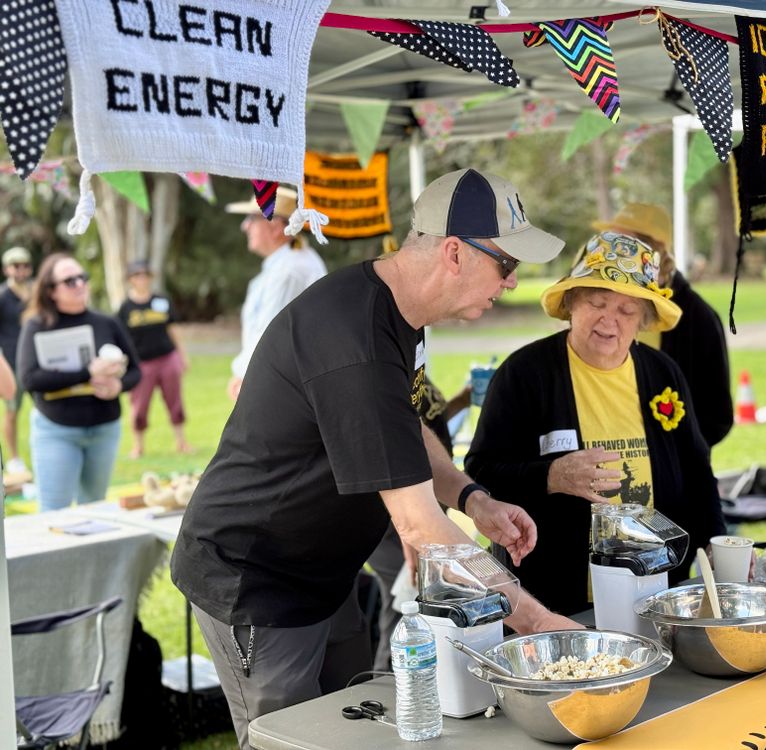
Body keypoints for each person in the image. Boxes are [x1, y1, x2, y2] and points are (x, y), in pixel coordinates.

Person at [170, 168, 578, 750]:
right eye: (506, 265)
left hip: (324, 571)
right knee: (289, 738)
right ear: (455, 252)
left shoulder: (397, 314)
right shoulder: (355, 337)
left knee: (356, 724)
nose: (510, 284)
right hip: (257, 577)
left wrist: (471, 497)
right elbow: (416, 524)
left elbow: (405, 422)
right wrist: (537, 624)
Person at [465, 232, 727, 617]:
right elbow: (481, 473)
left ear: (643, 320)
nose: (610, 320)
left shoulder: (662, 375)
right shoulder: (525, 375)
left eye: (626, 310)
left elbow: (697, 469)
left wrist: (714, 541)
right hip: (554, 602)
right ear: (571, 302)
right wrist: (551, 476)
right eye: (597, 302)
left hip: (657, 592)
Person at [594, 204, 734, 448]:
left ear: (654, 250)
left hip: (675, 470)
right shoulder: (601, 305)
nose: (611, 251)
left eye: (622, 243)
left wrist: (678, 451)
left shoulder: (697, 317)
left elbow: (717, 416)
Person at [16, 253, 141, 511]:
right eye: (70, 281)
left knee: (94, 510)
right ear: (51, 291)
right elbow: (29, 378)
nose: (80, 284)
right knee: (54, 512)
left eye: (82, 278)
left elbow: (136, 371)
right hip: (57, 430)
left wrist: (119, 386)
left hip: (104, 429)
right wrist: (88, 372)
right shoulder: (38, 326)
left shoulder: (107, 322)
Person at [367, 376, 472, 672]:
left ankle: (407, 673)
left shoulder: (414, 368)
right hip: (396, 517)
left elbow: (425, 427)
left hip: (427, 506)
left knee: (414, 594)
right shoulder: (384, 373)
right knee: (406, 597)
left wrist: (462, 401)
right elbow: (382, 446)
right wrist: (408, 524)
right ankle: (386, 677)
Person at [226, 186, 327, 401]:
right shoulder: (289, 263)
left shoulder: (289, 270)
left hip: (280, 387)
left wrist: (245, 375)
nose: (245, 226)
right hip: (282, 381)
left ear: (275, 227)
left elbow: (269, 333)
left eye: (252, 218)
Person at [116, 260, 192, 458]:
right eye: (137, 275)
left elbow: (173, 329)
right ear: (130, 279)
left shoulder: (161, 301)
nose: (142, 279)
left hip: (167, 358)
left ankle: (181, 442)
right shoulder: (126, 308)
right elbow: (121, 339)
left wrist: (182, 356)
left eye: (145, 275)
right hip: (142, 364)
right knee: (139, 406)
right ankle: (138, 446)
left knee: (175, 401)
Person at [0, 246, 34, 474]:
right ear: (7, 269)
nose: (20, 270)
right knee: (12, 410)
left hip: (36, 359)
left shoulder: (35, 292)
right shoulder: (3, 296)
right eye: (15, 266)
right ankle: (14, 458)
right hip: (11, 361)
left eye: (24, 265)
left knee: (46, 408)